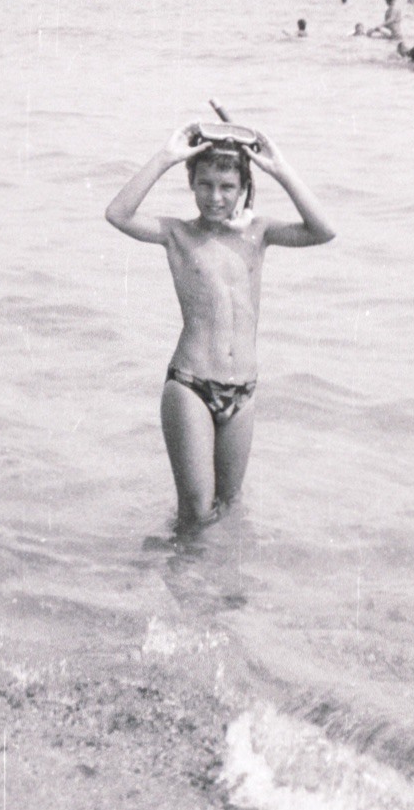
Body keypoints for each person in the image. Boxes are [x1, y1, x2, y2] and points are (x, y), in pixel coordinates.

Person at [105, 121, 335, 528]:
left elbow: (323, 231)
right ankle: (183, 586)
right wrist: (166, 157)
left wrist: (279, 168)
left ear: (243, 187)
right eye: (205, 184)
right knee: (195, 509)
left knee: (228, 507)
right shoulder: (177, 233)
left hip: (243, 392)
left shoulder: (259, 233)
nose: (215, 196)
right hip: (190, 385)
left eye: (227, 187)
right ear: (191, 183)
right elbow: (118, 214)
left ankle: (219, 586)